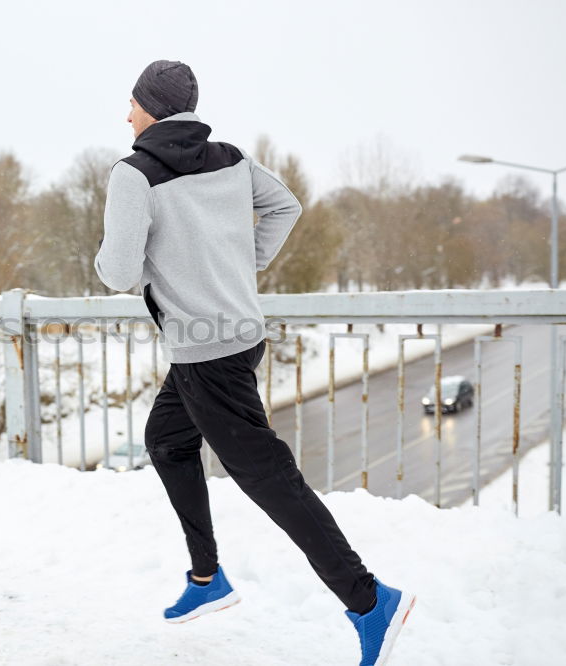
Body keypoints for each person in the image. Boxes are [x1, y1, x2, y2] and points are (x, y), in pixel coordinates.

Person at [93, 60, 416, 666]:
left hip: (203, 351)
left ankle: (370, 601)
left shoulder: (133, 174)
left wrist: (149, 266)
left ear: (151, 109)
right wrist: (246, 265)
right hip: (238, 337)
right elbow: (286, 206)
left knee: (271, 480)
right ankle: (207, 578)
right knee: (166, 440)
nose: (127, 115)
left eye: (132, 104)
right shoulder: (232, 158)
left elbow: (117, 271)